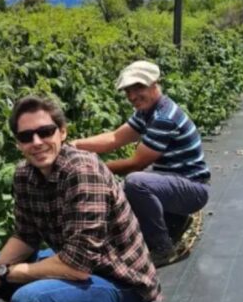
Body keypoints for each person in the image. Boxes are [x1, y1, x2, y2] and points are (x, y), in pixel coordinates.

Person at [0, 95, 160, 302]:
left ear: (63, 132)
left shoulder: (83, 172)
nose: (37, 142)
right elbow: (25, 236)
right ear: (18, 143)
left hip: (124, 288)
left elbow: (76, 267)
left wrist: (2, 274)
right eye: (26, 136)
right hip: (83, 269)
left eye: (45, 131)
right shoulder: (25, 175)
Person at [71, 60, 210, 267]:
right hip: (174, 183)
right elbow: (115, 138)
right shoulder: (148, 112)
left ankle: (163, 249)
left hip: (193, 188)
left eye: (138, 88)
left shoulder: (164, 118)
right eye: (128, 91)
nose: (132, 96)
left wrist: (93, 168)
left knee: (135, 183)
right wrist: (74, 145)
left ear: (154, 84)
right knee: (122, 192)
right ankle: (175, 222)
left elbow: (136, 164)